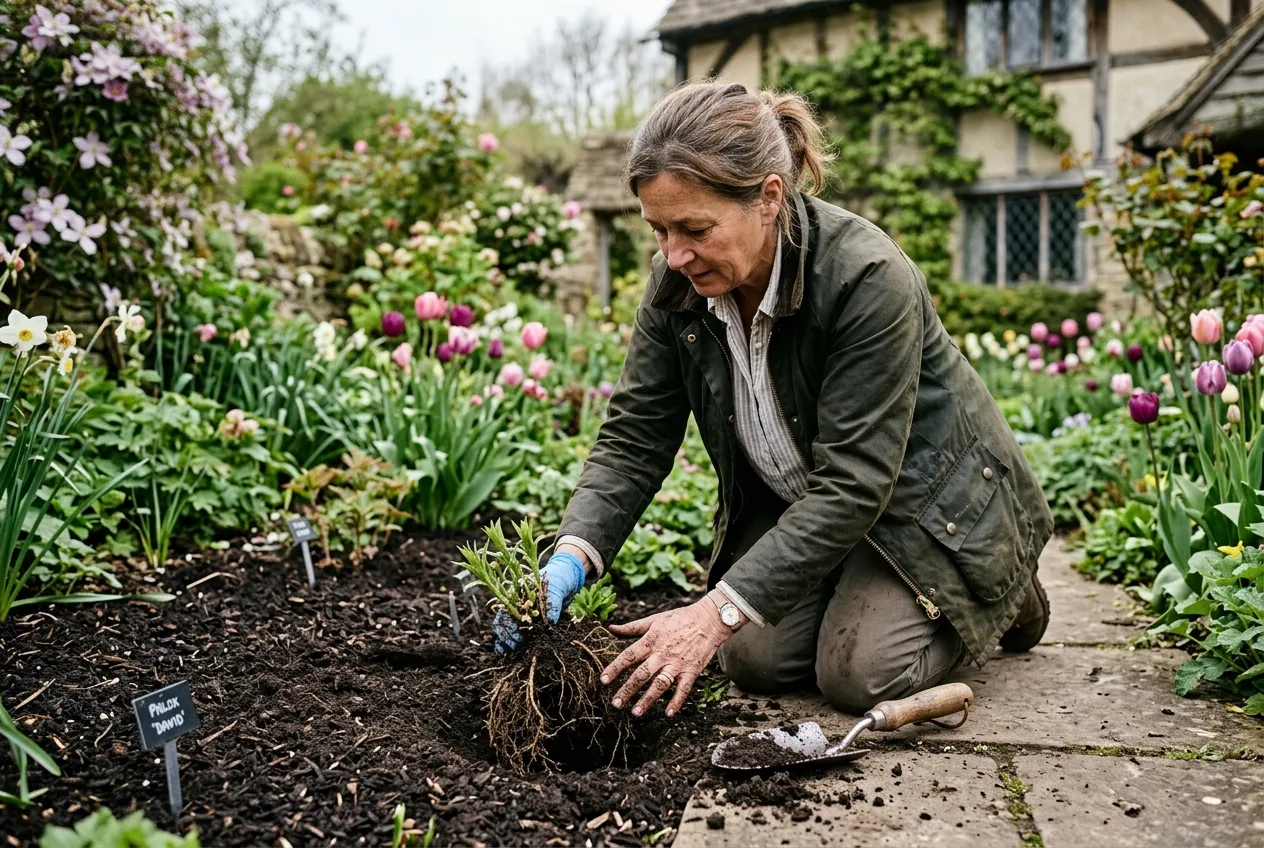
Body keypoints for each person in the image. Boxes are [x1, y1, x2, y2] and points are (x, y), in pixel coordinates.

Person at [493, 80, 1054, 719]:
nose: (674, 255)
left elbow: (856, 481)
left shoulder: (866, 278)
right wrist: (570, 556)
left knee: (857, 676)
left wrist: (713, 613)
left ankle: (1003, 584)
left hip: (921, 506)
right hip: (804, 501)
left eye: (694, 228)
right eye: (658, 230)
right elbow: (634, 439)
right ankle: (855, 583)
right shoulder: (677, 284)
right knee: (753, 660)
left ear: (768, 197)